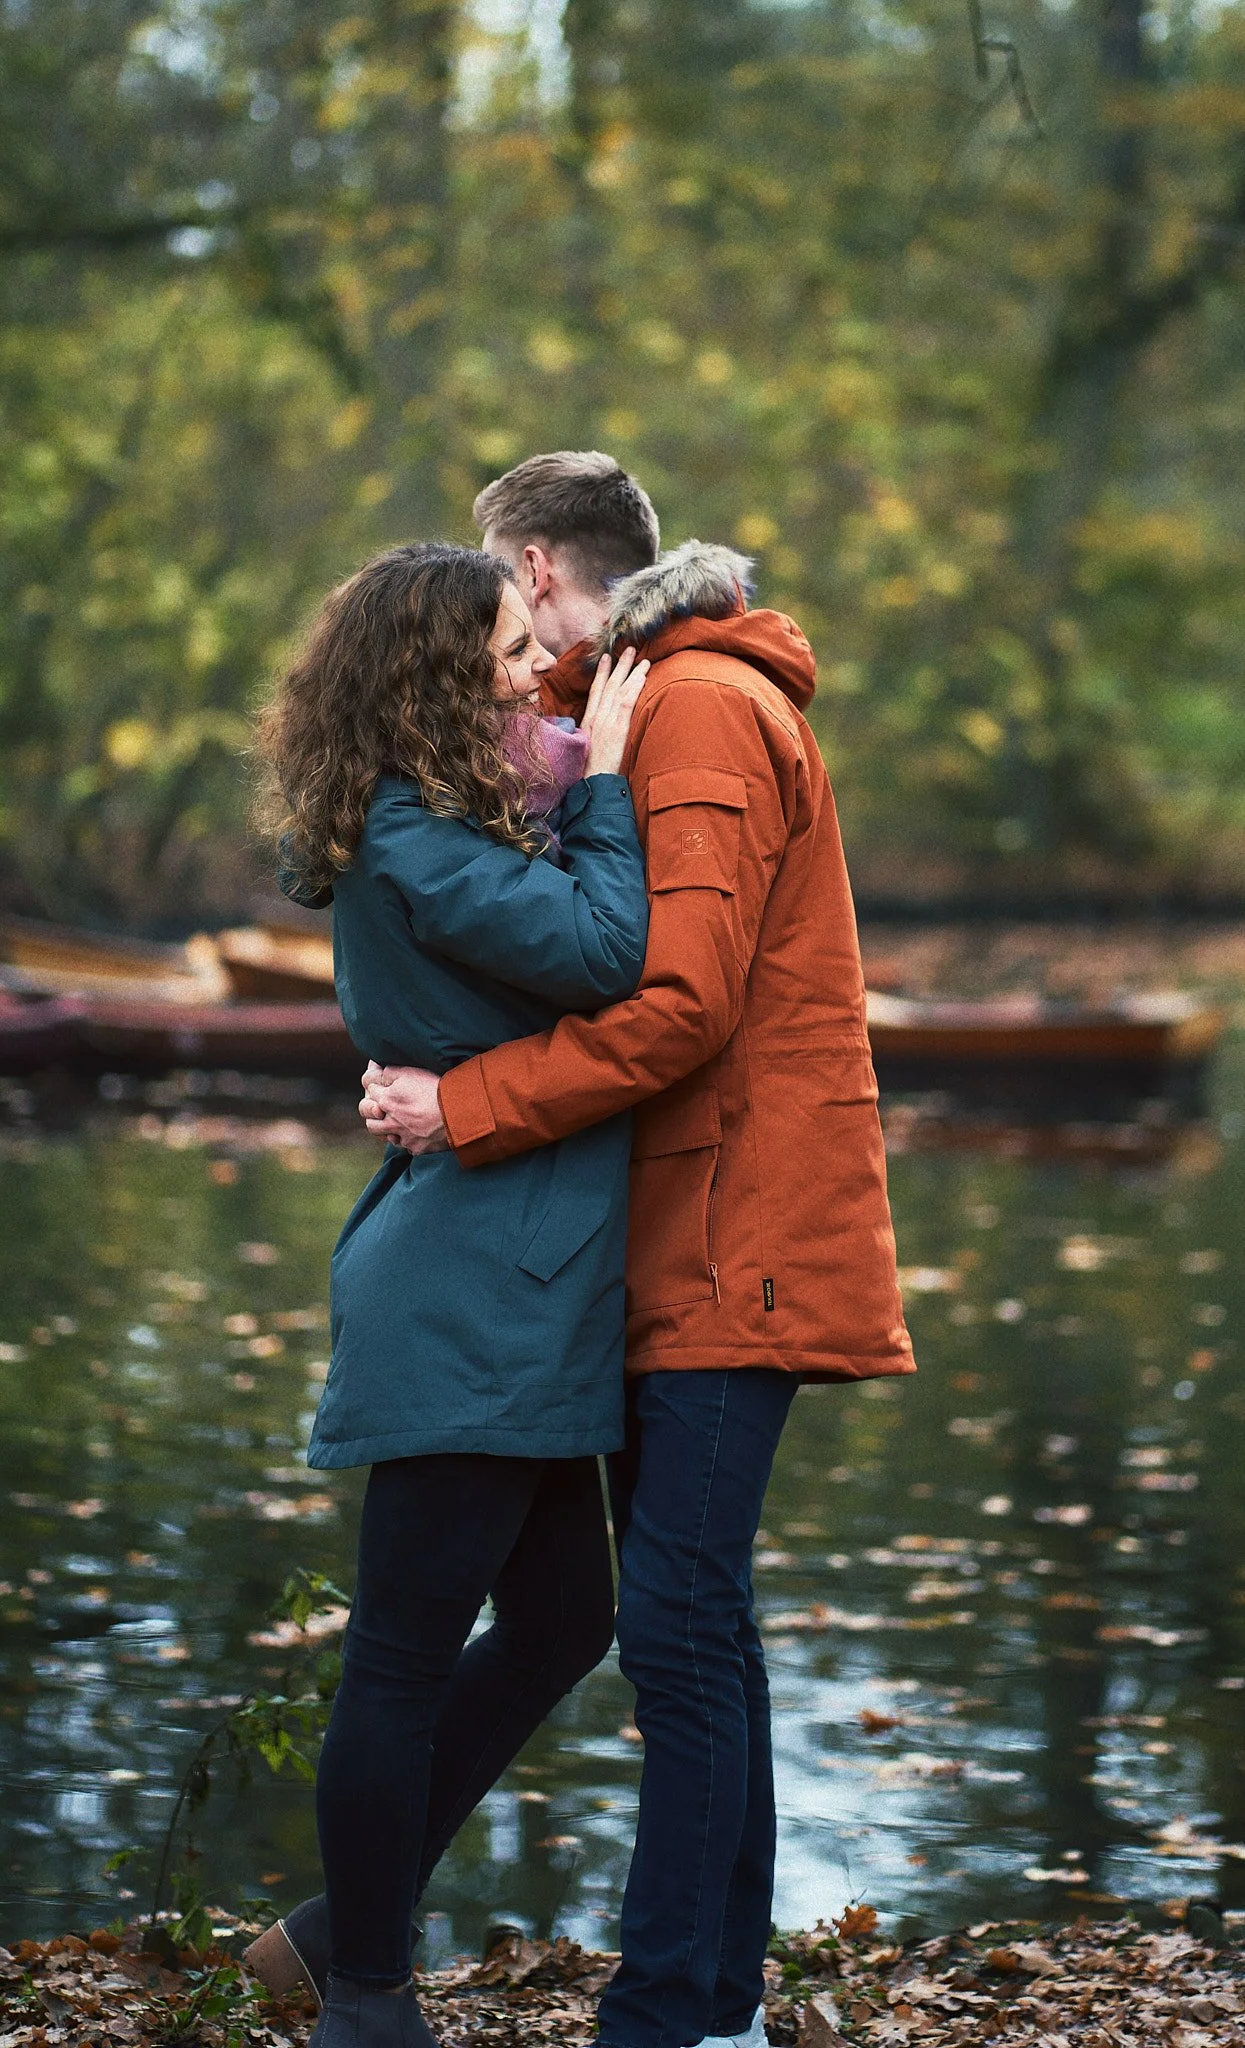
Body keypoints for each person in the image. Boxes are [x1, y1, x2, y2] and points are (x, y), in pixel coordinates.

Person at [360, 456, 917, 2048]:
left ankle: (668, 2010)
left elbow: (680, 1003)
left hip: (737, 1233)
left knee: (671, 1617)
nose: (498, 635)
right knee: (695, 1618)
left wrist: (463, 1105)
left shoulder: (698, 710)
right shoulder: (650, 708)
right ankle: (707, 1999)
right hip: (678, 1232)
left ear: (538, 570)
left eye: (495, 593)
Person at [249, 540, 652, 2048]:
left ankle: (328, 1930)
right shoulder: (416, 831)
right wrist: (605, 776)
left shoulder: (435, 814)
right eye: (495, 646)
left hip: (514, 1266)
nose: (520, 665)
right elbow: (613, 952)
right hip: (473, 1281)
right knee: (405, 1656)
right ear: (427, 673)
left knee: (563, 1616)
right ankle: (365, 1993)